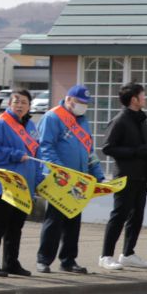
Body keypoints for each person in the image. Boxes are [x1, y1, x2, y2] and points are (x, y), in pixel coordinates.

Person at [36, 84, 104, 274]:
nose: (83, 106)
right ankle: (44, 259)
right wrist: (60, 170)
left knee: (73, 220)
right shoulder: (53, 117)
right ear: (68, 100)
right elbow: (45, 147)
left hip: (79, 179)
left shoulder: (83, 121)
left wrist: (98, 175)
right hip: (60, 179)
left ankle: (68, 259)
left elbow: (89, 151)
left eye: (86, 103)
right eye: (80, 102)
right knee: (54, 220)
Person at [0, 89, 40, 277]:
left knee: (16, 225)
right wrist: (13, 155)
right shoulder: (0, 123)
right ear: (9, 104)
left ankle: (11, 262)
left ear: (29, 105)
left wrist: (37, 180)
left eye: (24, 102)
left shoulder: (30, 126)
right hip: (3, 183)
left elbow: (36, 155)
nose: (20, 105)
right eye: (16, 101)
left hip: (24, 184)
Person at [100, 82, 147, 271]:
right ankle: (105, 256)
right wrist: (135, 152)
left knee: (137, 216)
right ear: (134, 99)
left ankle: (128, 253)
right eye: (143, 95)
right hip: (125, 177)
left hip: (141, 177)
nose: (145, 98)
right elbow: (107, 147)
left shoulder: (141, 119)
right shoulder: (120, 120)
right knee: (119, 215)